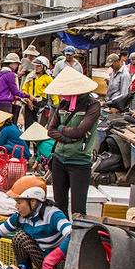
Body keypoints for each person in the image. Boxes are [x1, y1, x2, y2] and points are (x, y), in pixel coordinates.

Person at [0, 176, 72, 269]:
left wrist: (52, 258)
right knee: (19, 237)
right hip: (43, 260)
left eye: (19, 202)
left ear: (33, 202)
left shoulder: (53, 215)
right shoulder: (20, 217)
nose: (16, 206)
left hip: (62, 262)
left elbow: (73, 235)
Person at [46, 67, 100, 217]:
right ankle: (61, 238)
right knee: (59, 206)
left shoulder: (93, 105)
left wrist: (61, 129)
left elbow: (80, 132)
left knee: (78, 210)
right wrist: (69, 137)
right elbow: (50, 130)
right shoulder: (62, 105)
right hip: (58, 160)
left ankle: (76, 238)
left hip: (79, 163)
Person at [0, 53, 33, 141]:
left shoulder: (0, 73)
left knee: (0, 126)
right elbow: (15, 91)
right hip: (6, 104)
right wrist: (28, 96)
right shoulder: (10, 74)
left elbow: (6, 91)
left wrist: (20, 99)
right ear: (13, 63)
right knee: (6, 127)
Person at [22, 56, 57, 129]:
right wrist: (27, 100)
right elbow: (24, 90)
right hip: (29, 102)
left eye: (39, 66)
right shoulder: (30, 76)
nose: (36, 68)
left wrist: (56, 106)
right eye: (35, 66)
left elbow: (54, 94)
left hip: (42, 104)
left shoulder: (48, 79)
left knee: (41, 125)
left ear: (44, 67)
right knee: (28, 125)